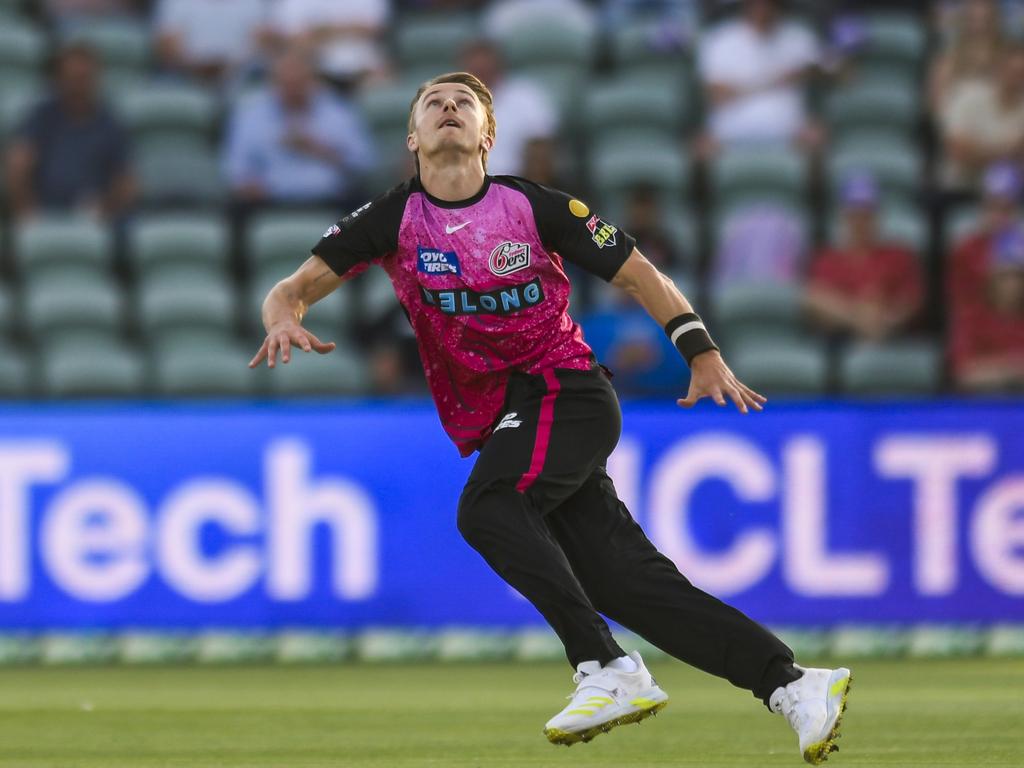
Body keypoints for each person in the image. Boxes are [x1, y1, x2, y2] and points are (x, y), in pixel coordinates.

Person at [249, 71, 851, 765]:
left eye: (464, 104)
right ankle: (794, 685)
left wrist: (701, 350)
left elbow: (638, 274)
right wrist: (281, 319)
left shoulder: (533, 206)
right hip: (512, 416)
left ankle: (606, 667)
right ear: (412, 137)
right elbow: (290, 289)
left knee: (489, 508)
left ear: (489, 135)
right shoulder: (390, 220)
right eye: (434, 105)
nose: (450, 109)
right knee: (629, 584)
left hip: (565, 391)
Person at [222, 47, 375, 206]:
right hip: (268, 200)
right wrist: (249, 186)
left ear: (313, 81)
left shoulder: (339, 113)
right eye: (285, 84)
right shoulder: (251, 117)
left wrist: (318, 149)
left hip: (330, 199)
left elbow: (364, 163)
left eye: (299, 83)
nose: (292, 90)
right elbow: (236, 169)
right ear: (273, 83)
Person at [5, 43, 135, 222]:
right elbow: (18, 161)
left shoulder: (110, 123)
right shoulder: (42, 116)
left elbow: (126, 179)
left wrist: (106, 207)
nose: (78, 86)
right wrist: (27, 210)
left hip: (94, 212)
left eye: (84, 78)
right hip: (44, 208)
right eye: (72, 78)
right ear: (59, 79)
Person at [806, 172, 922, 344]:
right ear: (844, 217)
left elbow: (911, 301)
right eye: (854, 215)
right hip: (841, 339)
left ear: (877, 216)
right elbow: (814, 301)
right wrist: (858, 315)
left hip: (891, 336)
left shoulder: (898, 255)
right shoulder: (828, 259)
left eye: (866, 214)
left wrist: (885, 317)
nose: (860, 221)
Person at [697, 0, 821, 156]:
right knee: (700, 147)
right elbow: (716, 95)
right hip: (729, 131)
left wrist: (810, 71)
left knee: (817, 136)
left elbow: (842, 72)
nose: (762, 8)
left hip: (789, 128)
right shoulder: (720, 38)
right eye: (756, 3)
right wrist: (776, 80)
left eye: (768, 3)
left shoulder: (800, 37)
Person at [459, 40, 558, 178]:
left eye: (485, 65)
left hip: (514, 184)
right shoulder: (448, 101)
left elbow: (541, 148)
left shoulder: (526, 96)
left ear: (499, 64)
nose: (481, 71)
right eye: (475, 68)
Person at [940, 45, 1024, 193]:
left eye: (1021, 74)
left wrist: (978, 150)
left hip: (1012, 194)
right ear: (1000, 69)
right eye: (1013, 72)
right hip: (962, 187)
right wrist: (1010, 152)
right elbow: (958, 151)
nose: (1016, 79)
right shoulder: (967, 96)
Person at [949, 225, 1024, 391]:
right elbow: (963, 373)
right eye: (1005, 275)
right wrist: (1012, 368)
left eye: (1018, 275)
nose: (1013, 284)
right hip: (982, 407)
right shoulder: (971, 318)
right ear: (991, 278)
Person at [948, 162, 1024, 317]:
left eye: (1006, 208)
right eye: (991, 206)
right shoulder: (966, 249)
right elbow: (960, 306)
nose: (998, 216)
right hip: (980, 330)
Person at [153, 0, 271, 86]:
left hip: (238, 76)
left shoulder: (253, 3)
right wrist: (196, 68)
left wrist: (228, 68)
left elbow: (259, 44)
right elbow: (167, 45)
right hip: (185, 77)